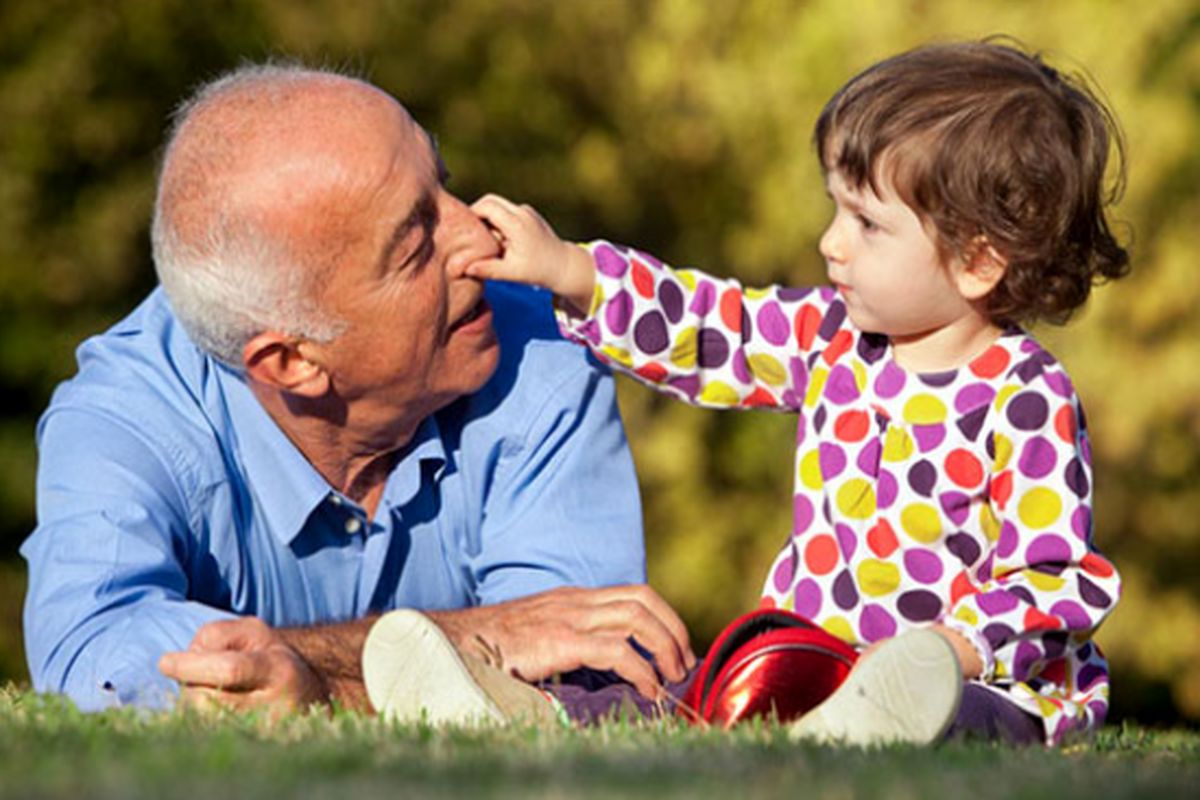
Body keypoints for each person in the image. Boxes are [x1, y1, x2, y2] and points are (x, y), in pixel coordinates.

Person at [465, 40, 1128, 745]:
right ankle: (525, 707)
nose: (831, 242)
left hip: (983, 682)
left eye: (867, 223)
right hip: (811, 664)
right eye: (836, 209)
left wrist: (952, 650)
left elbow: (1054, 580)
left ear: (977, 261)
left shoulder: (1026, 396)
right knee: (688, 691)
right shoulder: (832, 338)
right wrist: (572, 270)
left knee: (969, 718)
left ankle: (897, 714)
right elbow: (714, 327)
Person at [20, 64, 695, 716]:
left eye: (445, 185)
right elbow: (95, 664)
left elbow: (586, 682)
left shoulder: (541, 345)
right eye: (413, 247)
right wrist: (465, 642)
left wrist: (314, 680)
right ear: (290, 361)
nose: (480, 237)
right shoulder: (125, 416)